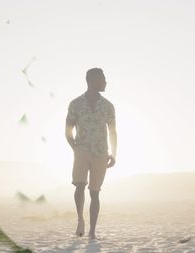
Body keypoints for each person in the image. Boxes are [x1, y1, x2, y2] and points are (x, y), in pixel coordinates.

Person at [65, 68, 117, 240]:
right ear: (93, 81)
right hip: (81, 150)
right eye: (103, 79)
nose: (106, 82)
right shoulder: (76, 104)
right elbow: (68, 130)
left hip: (101, 153)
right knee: (79, 185)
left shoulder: (108, 106)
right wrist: (76, 148)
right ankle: (80, 219)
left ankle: (92, 231)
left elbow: (113, 132)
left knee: (95, 192)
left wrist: (114, 153)